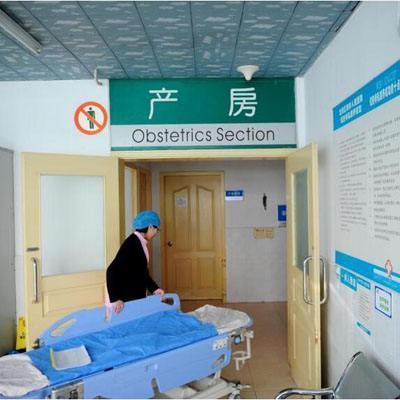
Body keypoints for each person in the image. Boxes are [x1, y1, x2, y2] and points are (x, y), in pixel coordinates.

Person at [106, 210, 165, 314]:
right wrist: (115, 298)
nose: (156, 232)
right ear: (150, 227)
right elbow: (111, 270)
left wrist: (154, 288)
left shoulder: (140, 242)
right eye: (157, 229)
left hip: (135, 296)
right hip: (125, 300)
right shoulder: (131, 243)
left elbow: (142, 271)